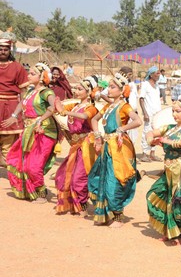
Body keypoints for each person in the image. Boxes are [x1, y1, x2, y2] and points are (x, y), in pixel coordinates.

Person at [144, 95, 181, 244]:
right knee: (154, 194)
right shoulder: (169, 128)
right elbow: (150, 132)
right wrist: (152, 140)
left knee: (180, 203)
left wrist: (171, 142)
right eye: (173, 111)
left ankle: (177, 233)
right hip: (169, 170)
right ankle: (170, 228)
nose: (175, 115)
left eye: (178, 111)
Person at [88, 73, 142, 227]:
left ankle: (118, 216)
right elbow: (93, 120)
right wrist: (97, 136)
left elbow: (138, 121)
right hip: (107, 145)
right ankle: (105, 213)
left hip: (119, 147)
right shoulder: (108, 106)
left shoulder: (124, 107)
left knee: (115, 179)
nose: (109, 90)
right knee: (99, 177)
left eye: (112, 87)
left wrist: (122, 128)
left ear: (121, 90)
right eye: (109, 87)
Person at [3, 63, 59, 201]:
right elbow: (22, 102)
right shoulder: (30, 91)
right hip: (29, 131)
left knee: (34, 165)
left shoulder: (46, 92)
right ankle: (30, 190)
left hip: (44, 132)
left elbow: (54, 106)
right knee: (22, 161)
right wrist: (14, 116)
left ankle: (41, 193)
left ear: (41, 77)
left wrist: (40, 120)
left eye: (32, 74)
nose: (28, 76)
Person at [54, 76, 99, 214]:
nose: (76, 91)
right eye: (76, 88)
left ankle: (83, 205)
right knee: (65, 174)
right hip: (75, 146)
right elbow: (57, 109)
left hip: (86, 146)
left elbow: (85, 117)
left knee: (79, 177)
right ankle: (76, 204)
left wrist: (65, 111)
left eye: (80, 89)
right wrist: (57, 105)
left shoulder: (91, 108)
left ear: (88, 91)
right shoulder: (75, 105)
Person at [0, 32, 28, 168]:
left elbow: (24, 94)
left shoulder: (18, 67)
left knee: (8, 145)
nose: (3, 51)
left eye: (5, 49)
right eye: (0, 49)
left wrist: (15, 115)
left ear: (9, 50)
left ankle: (13, 176)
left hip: (10, 108)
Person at [139, 66, 162, 162]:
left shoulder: (157, 86)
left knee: (156, 133)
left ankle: (152, 153)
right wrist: (145, 113)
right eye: (156, 73)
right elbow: (141, 99)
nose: (158, 75)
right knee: (147, 132)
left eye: (159, 73)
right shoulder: (145, 85)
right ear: (151, 74)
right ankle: (145, 154)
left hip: (157, 114)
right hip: (149, 113)